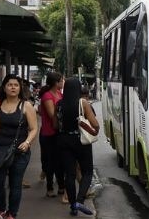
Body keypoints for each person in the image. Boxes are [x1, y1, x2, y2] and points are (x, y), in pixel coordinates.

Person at [0, 74, 38, 219]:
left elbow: (34, 128)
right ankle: (1, 209)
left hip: (20, 152)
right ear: (4, 87)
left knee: (15, 183)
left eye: (16, 85)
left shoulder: (26, 105)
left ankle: (11, 213)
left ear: (20, 88)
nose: (13, 87)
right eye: (10, 85)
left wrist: (28, 142)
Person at [56, 78, 100, 216]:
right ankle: (79, 200)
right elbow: (95, 124)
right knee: (87, 171)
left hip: (63, 140)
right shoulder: (83, 102)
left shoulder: (59, 104)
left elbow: (56, 125)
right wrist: (95, 129)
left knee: (70, 174)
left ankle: (73, 206)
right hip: (80, 141)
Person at [37, 72, 65, 197]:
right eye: (61, 80)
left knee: (59, 161)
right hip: (49, 134)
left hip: (59, 133)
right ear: (55, 82)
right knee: (50, 162)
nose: (63, 82)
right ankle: (50, 187)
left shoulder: (59, 94)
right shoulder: (47, 96)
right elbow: (52, 115)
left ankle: (61, 186)